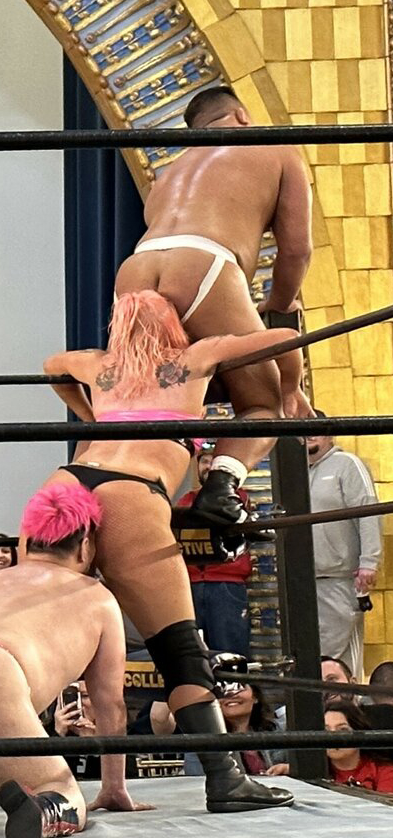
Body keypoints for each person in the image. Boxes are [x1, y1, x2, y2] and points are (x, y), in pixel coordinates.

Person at [40, 289, 299, 812]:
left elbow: (52, 366)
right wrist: (289, 392)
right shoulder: (194, 357)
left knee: (32, 630)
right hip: (131, 492)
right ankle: (225, 779)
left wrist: (91, 418)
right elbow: (285, 338)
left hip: (65, 482)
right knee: (179, 647)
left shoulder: (99, 365)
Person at [114, 85, 313, 525]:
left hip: (135, 270)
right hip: (203, 263)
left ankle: (127, 497)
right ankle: (221, 488)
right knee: (263, 403)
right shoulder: (274, 148)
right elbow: (297, 251)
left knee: (154, 399)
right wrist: (278, 304)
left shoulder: (168, 175)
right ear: (241, 115)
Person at [0, 484, 151, 838]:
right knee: (63, 793)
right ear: (85, 546)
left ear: (27, 542)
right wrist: (114, 787)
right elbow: (109, 702)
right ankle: (43, 812)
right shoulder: (97, 597)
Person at [308, 417, 382, 679]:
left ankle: (344, 703)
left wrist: (369, 562)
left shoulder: (347, 464)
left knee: (335, 658)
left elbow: (369, 511)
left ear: (330, 436)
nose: (308, 436)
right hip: (308, 581)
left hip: (340, 578)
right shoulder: (297, 474)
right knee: (321, 656)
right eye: (302, 431)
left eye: (315, 431)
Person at [177, 445, 253, 657]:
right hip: (190, 586)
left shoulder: (238, 499)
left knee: (231, 653)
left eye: (214, 461)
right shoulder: (185, 500)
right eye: (204, 461)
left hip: (226, 585)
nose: (209, 467)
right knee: (193, 654)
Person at [324, 700, 393, 793]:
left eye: (343, 730)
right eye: (326, 730)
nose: (333, 737)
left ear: (359, 731)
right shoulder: (311, 771)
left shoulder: (383, 770)